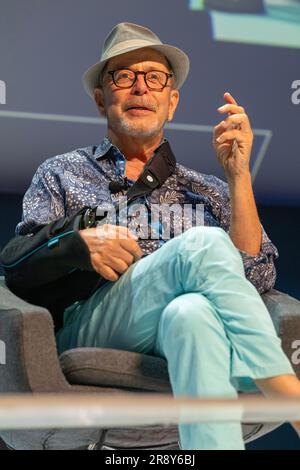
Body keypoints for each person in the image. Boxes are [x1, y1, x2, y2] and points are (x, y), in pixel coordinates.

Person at [14, 22, 300, 450]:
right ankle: (287, 395)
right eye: (124, 77)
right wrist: (76, 245)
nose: (140, 89)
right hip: (92, 321)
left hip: (176, 328)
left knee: (192, 316)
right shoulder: (62, 172)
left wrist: (239, 178)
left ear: (172, 101)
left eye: (154, 78)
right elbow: (19, 269)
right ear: (100, 99)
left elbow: (255, 279)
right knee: (202, 244)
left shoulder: (208, 188)